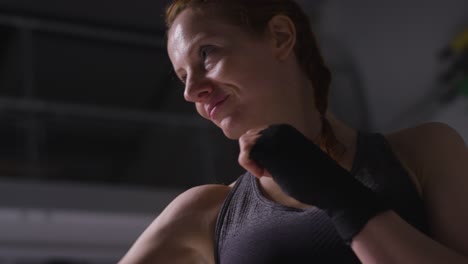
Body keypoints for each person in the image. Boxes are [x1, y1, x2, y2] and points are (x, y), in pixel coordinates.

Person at [118, 0, 468, 263]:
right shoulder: (203, 213)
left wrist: (338, 195)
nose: (191, 90)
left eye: (206, 53)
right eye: (182, 76)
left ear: (280, 37)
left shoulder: (423, 151)